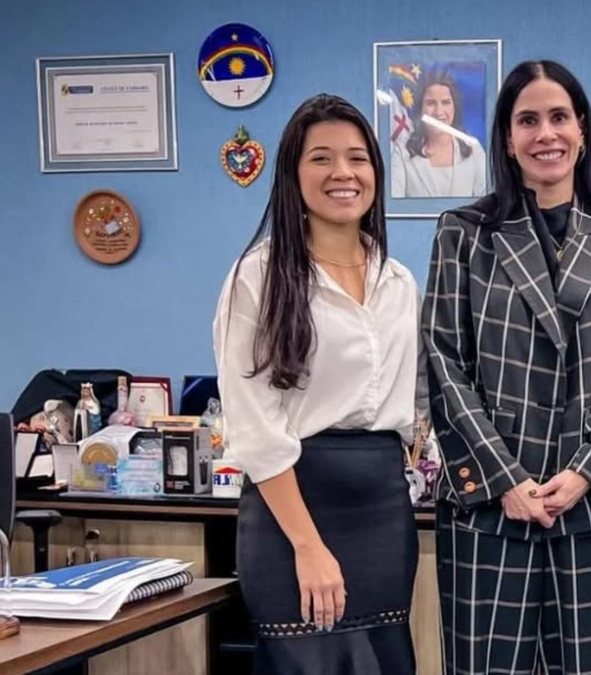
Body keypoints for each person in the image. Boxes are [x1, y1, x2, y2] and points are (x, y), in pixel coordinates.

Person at [423, 60, 591, 675]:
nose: (545, 134)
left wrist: (588, 472)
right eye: (527, 120)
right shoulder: (464, 234)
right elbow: (444, 362)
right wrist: (504, 478)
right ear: (507, 139)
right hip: (490, 503)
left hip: (590, 503)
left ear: (581, 129)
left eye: (559, 117)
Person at [214, 94, 423, 673]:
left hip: (383, 513)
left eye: (357, 158)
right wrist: (308, 546)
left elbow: (415, 400)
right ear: (293, 173)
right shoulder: (258, 277)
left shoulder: (398, 281)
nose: (342, 173)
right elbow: (256, 427)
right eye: (321, 158)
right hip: (294, 515)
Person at [391, 69, 487, 198]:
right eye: (431, 103)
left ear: (455, 107)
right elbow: (394, 205)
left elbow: (487, 204)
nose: (438, 112)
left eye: (446, 102)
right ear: (420, 109)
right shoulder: (402, 151)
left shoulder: (474, 149)